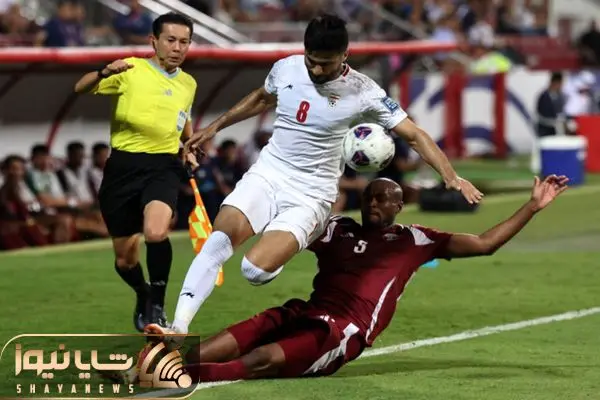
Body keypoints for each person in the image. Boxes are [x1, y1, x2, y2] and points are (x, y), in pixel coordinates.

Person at [154, 13, 483, 337]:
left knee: (253, 270)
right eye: (311, 61)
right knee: (218, 242)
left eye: (326, 64)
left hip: (312, 193)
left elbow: (413, 135)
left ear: (345, 55)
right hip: (268, 173)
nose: (316, 70)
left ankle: (312, 229)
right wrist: (214, 127)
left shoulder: (364, 91)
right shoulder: (287, 68)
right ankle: (178, 327)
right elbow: (262, 97)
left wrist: (451, 176)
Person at [139, 174, 567, 383]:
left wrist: (532, 207)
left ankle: (182, 377)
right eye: (370, 198)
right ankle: (165, 360)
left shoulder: (415, 240)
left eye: (384, 199)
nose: (375, 204)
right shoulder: (336, 229)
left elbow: (485, 243)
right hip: (308, 310)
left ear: (399, 206)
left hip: (343, 332)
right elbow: (290, 233)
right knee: (247, 330)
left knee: (264, 358)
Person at [73, 12, 197, 331]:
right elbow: (80, 88)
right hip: (123, 168)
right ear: (154, 41)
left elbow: (183, 120)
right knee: (125, 260)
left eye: (184, 42)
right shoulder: (130, 69)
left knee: (156, 233)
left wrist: (190, 146)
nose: (177, 48)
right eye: (171, 40)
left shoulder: (188, 83)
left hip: (163, 166)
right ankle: (142, 293)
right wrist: (103, 71)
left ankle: (157, 305)